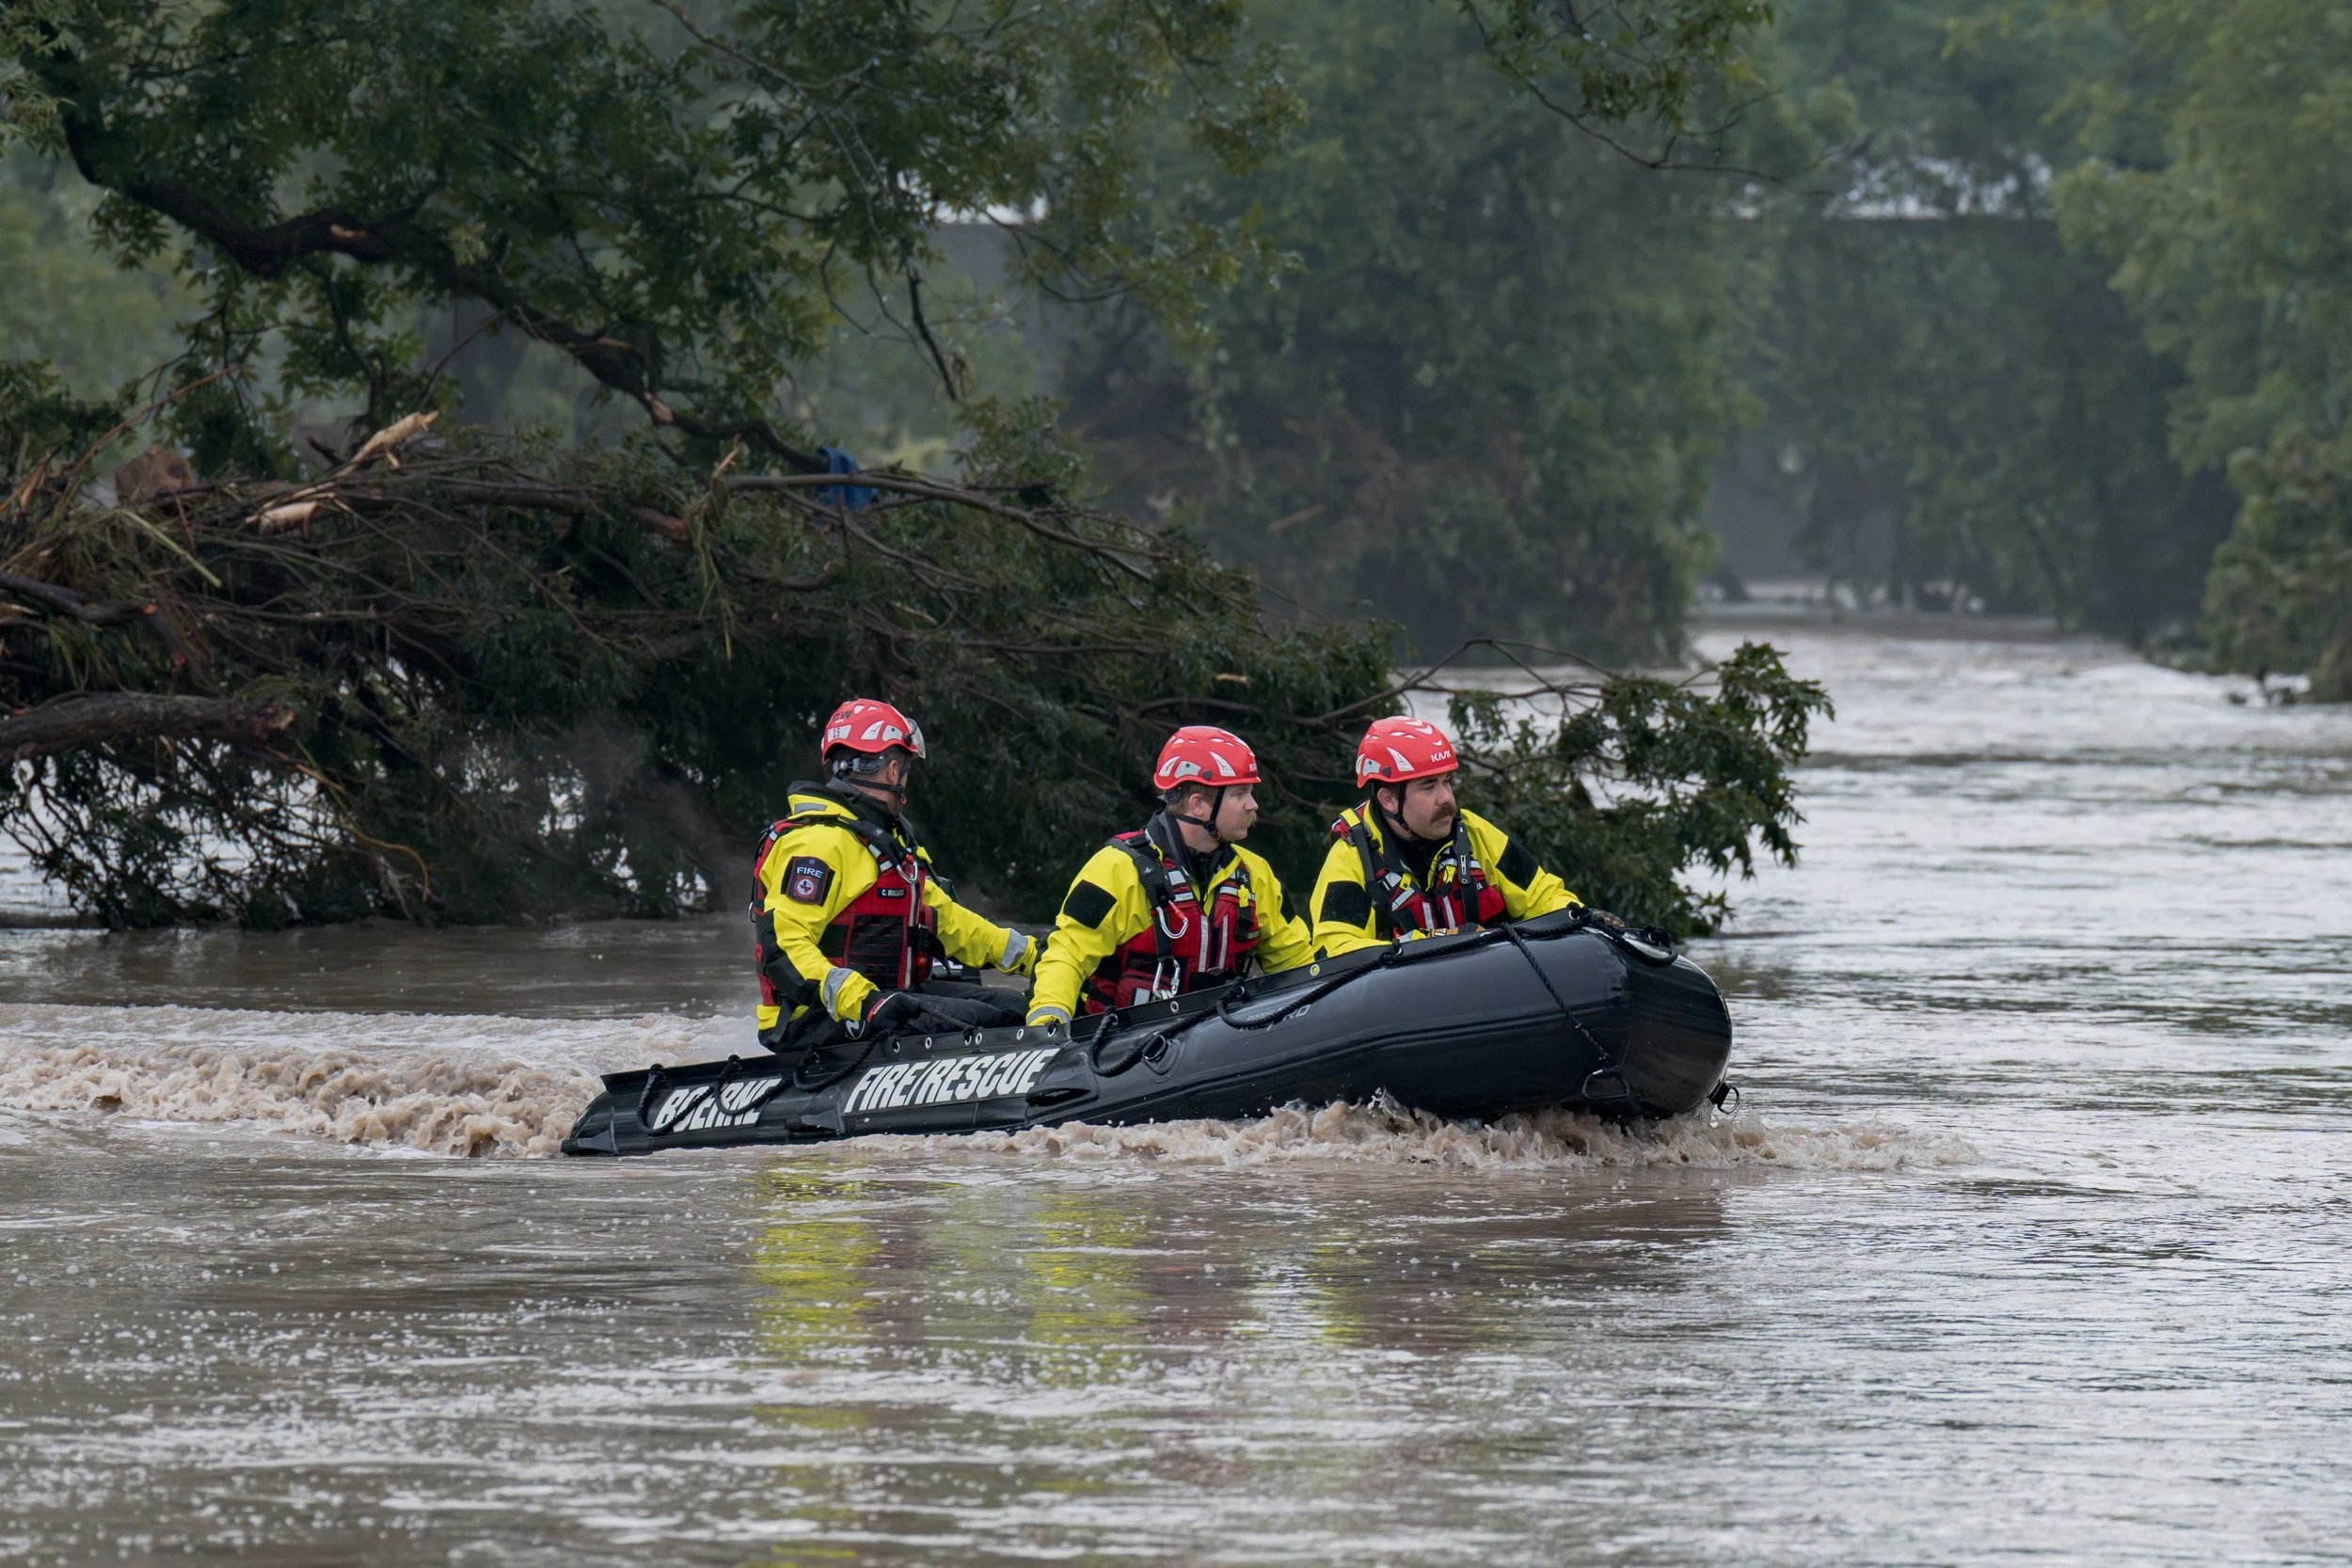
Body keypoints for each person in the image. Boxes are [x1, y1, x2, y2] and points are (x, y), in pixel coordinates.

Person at [751, 698, 1037, 1053]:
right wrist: (864, 1002)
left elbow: (947, 922)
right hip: (821, 1017)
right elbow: (785, 947)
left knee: (1017, 1008)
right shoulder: (820, 842)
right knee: (993, 1022)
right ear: (891, 769)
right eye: (905, 768)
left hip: (885, 1000)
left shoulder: (888, 843)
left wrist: (1035, 956)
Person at [1026, 725, 1314, 1027]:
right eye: (1240, 794)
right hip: (1118, 1044)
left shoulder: (1254, 875)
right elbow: (1066, 955)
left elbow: (1297, 964)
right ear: (1198, 805)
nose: (1252, 805)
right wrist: (1048, 1022)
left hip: (1220, 1040)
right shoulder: (1117, 869)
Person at [1310, 715, 1580, 957]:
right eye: (1429, 787)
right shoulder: (1352, 858)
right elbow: (1336, 949)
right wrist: (1427, 943)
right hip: (1403, 1003)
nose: (1446, 799)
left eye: (1447, 781)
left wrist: (1577, 915)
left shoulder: (1474, 833)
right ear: (1389, 799)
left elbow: (1542, 895)